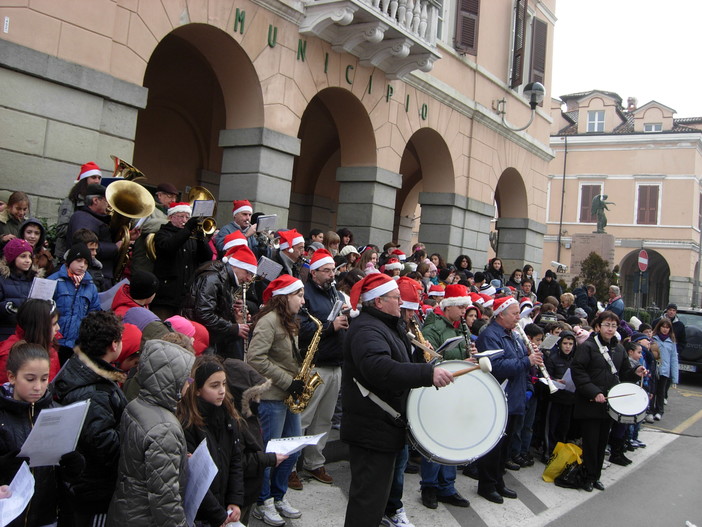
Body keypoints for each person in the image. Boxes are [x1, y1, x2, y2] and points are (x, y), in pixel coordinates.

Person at [341, 273, 454, 527]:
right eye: (396, 297)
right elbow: (379, 368)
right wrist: (427, 373)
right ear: (378, 302)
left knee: (375, 499)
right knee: (367, 501)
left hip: (382, 426)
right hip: (371, 428)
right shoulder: (368, 329)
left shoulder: (387, 326)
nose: (401, 302)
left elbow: (400, 364)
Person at [107, 339, 195, 526]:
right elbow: (166, 500)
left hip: (126, 508)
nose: (189, 384)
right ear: (173, 380)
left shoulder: (136, 405)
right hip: (145, 518)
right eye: (186, 378)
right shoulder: (165, 428)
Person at [52, 310, 127, 526]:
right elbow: (102, 444)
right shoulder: (93, 391)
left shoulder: (87, 370)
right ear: (114, 345)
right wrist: (132, 435)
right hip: (93, 488)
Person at [0, 342, 85, 527]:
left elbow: (71, 476)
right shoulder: (3, 416)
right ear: (12, 377)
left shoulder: (57, 413)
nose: (38, 387)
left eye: (44, 379)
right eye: (30, 379)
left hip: (47, 516)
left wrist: (73, 462)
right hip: (8, 516)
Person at [247, 275, 306, 526]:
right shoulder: (269, 321)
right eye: (299, 295)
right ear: (285, 297)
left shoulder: (288, 320)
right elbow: (255, 358)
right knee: (270, 453)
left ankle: (279, 495)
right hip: (272, 396)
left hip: (288, 395)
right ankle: (263, 501)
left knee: (291, 450)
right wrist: (287, 381)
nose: (303, 301)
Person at [474, 296, 543, 504]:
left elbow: (520, 362)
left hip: (514, 396)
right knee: (494, 446)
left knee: (505, 445)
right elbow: (497, 367)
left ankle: (498, 481)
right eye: (514, 314)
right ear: (501, 314)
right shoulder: (489, 335)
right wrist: (527, 360)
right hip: (498, 397)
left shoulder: (512, 333)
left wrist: (531, 357)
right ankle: (486, 485)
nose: (517, 318)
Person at [571, 310, 645, 492]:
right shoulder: (587, 347)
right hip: (590, 403)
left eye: (613, 326)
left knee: (602, 442)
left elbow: (624, 373)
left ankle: (596, 476)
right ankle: (586, 477)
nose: (610, 329)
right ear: (598, 326)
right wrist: (594, 392)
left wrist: (636, 374)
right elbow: (578, 372)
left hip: (609, 404)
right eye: (607, 325)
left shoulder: (619, 348)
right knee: (590, 442)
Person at [292, 249, 347, 489]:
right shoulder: (305, 295)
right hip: (314, 365)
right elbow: (301, 329)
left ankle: (315, 462)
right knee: (302, 420)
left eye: (333, 270)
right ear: (313, 273)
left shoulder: (335, 293)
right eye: (326, 271)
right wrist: (329, 326)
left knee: (323, 420)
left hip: (335, 365)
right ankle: (290, 466)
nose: (331, 275)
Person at [416, 284, 472, 509]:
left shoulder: (461, 327)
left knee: (453, 436)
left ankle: (447, 486)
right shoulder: (434, 328)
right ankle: (429, 486)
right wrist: (461, 363)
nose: (463, 311)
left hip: (456, 388)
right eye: (460, 307)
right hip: (437, 389)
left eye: (464, 307)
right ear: (448, 307)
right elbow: (428, 360)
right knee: (436, 437)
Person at [178, 355, 245, 526]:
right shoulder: (188, 424)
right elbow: (194, 478)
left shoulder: (228, 416)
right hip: (202, 515)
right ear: (198, 389)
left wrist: (235, 500)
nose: (222, 390)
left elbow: (235, 461)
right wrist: (218, 514)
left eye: (223, 384)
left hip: (223, 507)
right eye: (214, 386)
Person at [223, 358, 287, 525]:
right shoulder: (235, 422)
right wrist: (269, 459)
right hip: (237, 495)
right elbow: (238, 461)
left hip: (248, 491)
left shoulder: (249, 417)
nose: (258, 400)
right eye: (254, 395)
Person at [181, 244, 257, 360]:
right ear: (236, 266)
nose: (249, 279)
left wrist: (235, 318)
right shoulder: (212, 279)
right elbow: (204, 314)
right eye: (248, 272)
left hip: (210, 337)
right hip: (202, 338)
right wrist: (233, 327)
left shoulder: (222, 278)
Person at [151, 201, 213, 319]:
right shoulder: (163, 233)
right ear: (171, 217)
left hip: (186, 296)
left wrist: (201, 238)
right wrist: (187, 229)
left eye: (187, 217)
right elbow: (169, 247)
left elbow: (207, 257)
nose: (184, 220)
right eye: (181, 216)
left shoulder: (192, 236)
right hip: (166, 295)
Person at [66, 183, 127, 289]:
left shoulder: (93, 218)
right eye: (106, 201)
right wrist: (115, 247)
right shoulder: (83, 218)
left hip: (100, 275)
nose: (109, 205)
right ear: (95, 200)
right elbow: (86, 246)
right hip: (92, 275)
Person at [48, 243, 101, 362]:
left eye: (86, 263)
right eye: (78, 260)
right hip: (54, 341)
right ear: (69, 261)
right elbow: (42, 309)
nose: (82, 265)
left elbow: (94, 312)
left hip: (76, 344)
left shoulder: (90, 286)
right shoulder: (54, 280)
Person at [0, 299, 61, 383]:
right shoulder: (10, 355)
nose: (58, 328)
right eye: (54, 324)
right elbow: (5, 391)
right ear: (39, 326)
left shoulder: (50, 347)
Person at [54, 162, 103, 260]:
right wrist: (84, 231)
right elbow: (60, 229)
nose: (97, 181)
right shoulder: (70, 201)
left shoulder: (99, 202)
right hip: (67, 255)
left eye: (99, 178)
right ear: (85, 180)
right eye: (93, 177)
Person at [543, 330, 577, 459]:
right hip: (555, 397)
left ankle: (559, 452)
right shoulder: (553, 358)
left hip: (569, 397)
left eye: (570, 344)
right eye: (565, 343)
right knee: (551, 426)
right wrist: (554, 380)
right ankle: (548, 452)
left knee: (564, 427)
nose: (568, 346)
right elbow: (546, 375)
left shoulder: (574, 360)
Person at [0, 238, 38, 341]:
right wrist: (5, 307)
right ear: (12, 258)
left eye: (30, 257)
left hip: (28, 334)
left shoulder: (34, 279)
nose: (28, 260)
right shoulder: (2, 279)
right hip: (5, 334)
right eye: (23, 256)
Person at [652, 317, 678, 421]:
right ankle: (650, 410)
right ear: (659, 327)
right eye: (663, 327)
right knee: (652, 391)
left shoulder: (671, 342)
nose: (665, 329)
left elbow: (674, 359)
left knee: (661, 392)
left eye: (667, 328)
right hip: (654, 370)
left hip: (664, 371)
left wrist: (675, 377)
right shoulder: (653, 338)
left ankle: (659, 411)